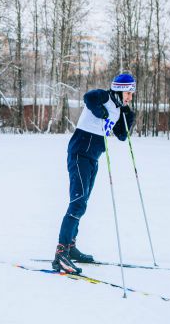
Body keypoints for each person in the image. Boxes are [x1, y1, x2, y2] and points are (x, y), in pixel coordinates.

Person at [52, 73, 136, 274]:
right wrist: (101, 111)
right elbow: (89, 97)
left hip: (93, 158)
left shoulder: (117, 109)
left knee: (83, 203)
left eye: (132, 93)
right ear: (118, 89)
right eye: (128, 92)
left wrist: (129, 117)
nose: (130, 97)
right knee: (78, 202)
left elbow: (122, 136)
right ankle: (60, 255)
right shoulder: (105, 97)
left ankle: (71, 248)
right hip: (79, 153)